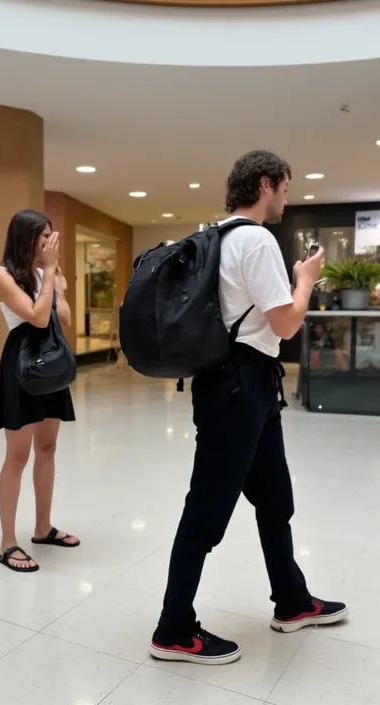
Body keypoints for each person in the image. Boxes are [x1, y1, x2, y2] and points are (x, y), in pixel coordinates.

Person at [150, 151, 348, 665]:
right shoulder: (256, 239)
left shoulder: (217, 237)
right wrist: (306, 278)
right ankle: (173, 628)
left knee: (274, 498)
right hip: (240, 388)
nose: (287, 197)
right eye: (285, 187)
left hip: (246, 386)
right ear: (266, 184)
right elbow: (284, 325)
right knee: (207, 510)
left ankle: (293, 600)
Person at [0, 209, 79, 573]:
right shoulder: (2, 274)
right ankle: (7, 543)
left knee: (48, 446)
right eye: (43, 237)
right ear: (25, 239)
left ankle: (43, 528)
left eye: (50, 236)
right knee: (18, 455)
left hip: (51, 361)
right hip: (22, 363)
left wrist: (55, 280)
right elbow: (37, 317)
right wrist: (49, 278)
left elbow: (65, 319)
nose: (49, 242)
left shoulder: (48, 272)